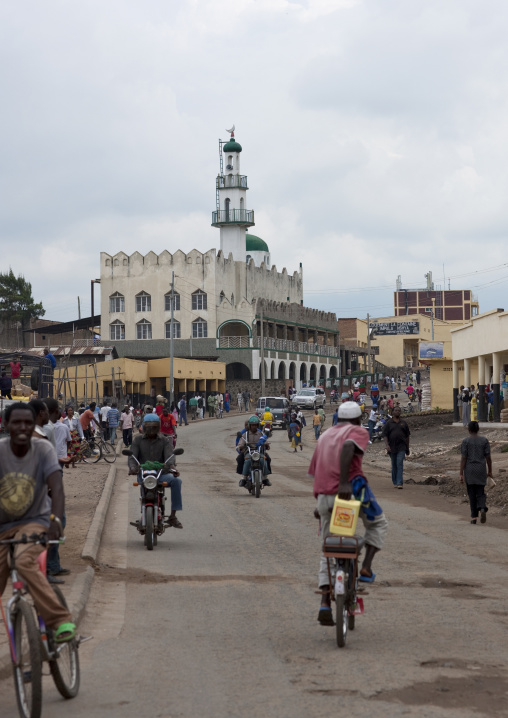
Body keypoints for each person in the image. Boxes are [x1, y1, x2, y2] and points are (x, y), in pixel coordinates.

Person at [0, 402, 76, 642]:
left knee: (24, 560)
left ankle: (60, 619)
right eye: (16, 422)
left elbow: (57, 487)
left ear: (34, 425)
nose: (22, 427)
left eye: (27, 422)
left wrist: (55, 519)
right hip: (3, 528)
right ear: (5, 425)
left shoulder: (43, 449)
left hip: (36, 522)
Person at [309, 401, 388, 625]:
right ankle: (365, 567)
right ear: (357, 419)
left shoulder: (324, 436)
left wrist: (320, 503)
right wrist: (344, 483)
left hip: (324, 496)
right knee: (379, 523)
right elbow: (347, 448)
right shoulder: (357, 431)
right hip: (351, 492)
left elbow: (317, 471)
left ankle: (325, 601)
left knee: (328, 546)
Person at [128, 413, 183, 529]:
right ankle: (144, 510)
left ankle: (173, 516)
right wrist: (133, 468)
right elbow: (132, 457)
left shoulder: (164, 440)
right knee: (143, 490)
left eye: (154, 427)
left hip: (160, 474)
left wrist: (172, 467)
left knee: (176, 481)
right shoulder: (137, 440)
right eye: (149, 426)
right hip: (143, 474)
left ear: (158, 427)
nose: (151, 429)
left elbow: (170, 456)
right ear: (144, 426)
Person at [460, 421, 492, 524]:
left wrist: (461, 473)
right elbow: (488, 458)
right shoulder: (484, 441)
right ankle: (482, 508)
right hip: (481, 470)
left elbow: (463, 458)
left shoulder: (466, 441)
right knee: (480, 492)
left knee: (472, 494)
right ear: (478, 429)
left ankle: (474, 518)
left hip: (469, 470)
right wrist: (490, 471)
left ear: (469, 430)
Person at [237, 416, 271, 487]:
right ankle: (244, 477)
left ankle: (265, 478)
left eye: (255, 425)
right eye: (252, 425)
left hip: (259, 453)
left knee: (263, 460)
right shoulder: (245, 434)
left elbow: (265, 441)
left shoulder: (261, 434)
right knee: (247, 461)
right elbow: (240, 443)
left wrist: (266, 445)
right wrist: (241, 446)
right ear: (250, 425)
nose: (254, 427)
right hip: (249, 453)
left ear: (257, 425)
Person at [382, 406, 410, 489]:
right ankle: (395, 481)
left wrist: (407, 448)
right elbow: (385, 435)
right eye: (396, 410)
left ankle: (399, 483)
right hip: (392, 447)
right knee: (394, 465)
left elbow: (407, 436)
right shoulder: (389, 423)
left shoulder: (403, 423)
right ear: (393, 412)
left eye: (399, 411)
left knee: (399, 463)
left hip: (402, 447)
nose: (398, 412)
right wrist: (387, 445)